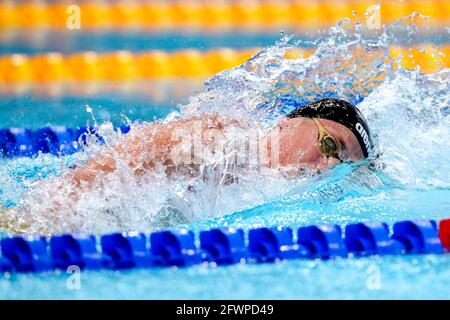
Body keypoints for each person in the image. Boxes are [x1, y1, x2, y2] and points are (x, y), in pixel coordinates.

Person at [0, 98, 373, 233]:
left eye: (342, 165)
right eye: (329, 145)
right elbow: (112, 169)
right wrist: (30, 223)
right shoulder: (220, 140)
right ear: (290, 122)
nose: (327, 166)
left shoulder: (271, 197)